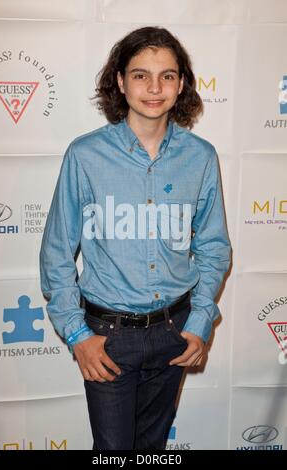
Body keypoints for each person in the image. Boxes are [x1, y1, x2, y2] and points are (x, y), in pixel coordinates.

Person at [39, 25, 232, 450]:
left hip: (174, 331)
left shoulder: (201, 158)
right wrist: (76, 334)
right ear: (121, 82)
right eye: (141, 74)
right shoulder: (85, 156)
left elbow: (214, 248)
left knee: (152, 451)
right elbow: (57, 252)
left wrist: (199, 321)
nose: (154, 87)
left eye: (167, 75)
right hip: (107, 336)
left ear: (181, 84)